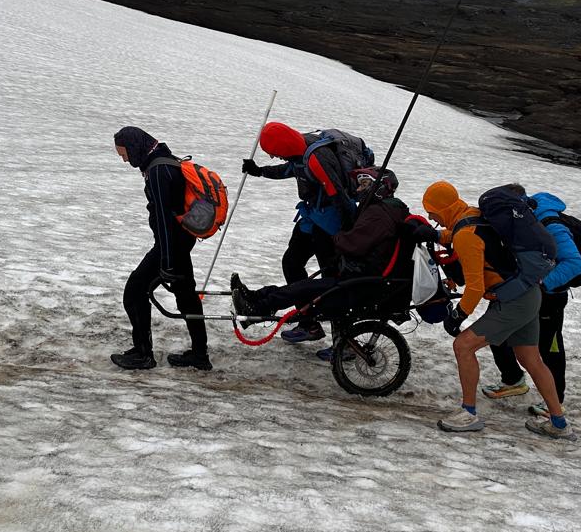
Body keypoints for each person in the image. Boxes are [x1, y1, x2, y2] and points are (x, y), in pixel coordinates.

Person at [421, 181, 572, 439]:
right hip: (528, 293)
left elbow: (475, 286)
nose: (430, 217)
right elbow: (466, 234)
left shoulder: (465, 235)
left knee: (463, 346)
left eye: (431, 212)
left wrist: (458, 316)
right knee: (531, 359)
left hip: (513, 302)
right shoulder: (470, 214)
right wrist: (436, 236)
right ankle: (558, 423)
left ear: (443, 208)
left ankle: (468, 413)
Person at [230, 168, 417, 324]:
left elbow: (352, 244)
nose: (359, 189)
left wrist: (334, 235)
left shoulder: (378, 214)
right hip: (363, 277)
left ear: (380, 187)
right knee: (303, 287)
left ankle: (256, 307)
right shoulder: (389, 210)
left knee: (303, 289)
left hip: (361, 284)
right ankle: (255, 297)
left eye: (365, 184)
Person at [240, 122, 370, 343]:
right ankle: (309, 323)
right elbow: (290, 169)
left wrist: (349, 233)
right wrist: (260, 171)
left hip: (330, 224)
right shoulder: (299, 147)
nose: (273, 157)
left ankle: (346, 343)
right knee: (291, 263)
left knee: (332, 281)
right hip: (312, 217)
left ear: (283, 147)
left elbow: (338, 195)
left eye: (273, 153)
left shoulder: (316, 159)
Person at [110, 126, 211, 372]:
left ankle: (143, 355)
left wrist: (166, 261)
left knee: (134, 292)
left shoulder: (157, 171)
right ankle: (199, 355)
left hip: (171, 246)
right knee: (187, 297)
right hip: (181, 241)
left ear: (135, 147)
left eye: (124, 153)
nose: (124, 159)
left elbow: (165, 220)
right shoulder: (165, 160)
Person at [482, 192, 581, 408]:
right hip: (524, 289)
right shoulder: (523, 219)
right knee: (496, 331)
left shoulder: (550, 225)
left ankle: (555, 402)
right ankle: (513, 379)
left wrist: (541, 283)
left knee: (549, 347)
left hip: (550, 297)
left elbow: (575, 263)